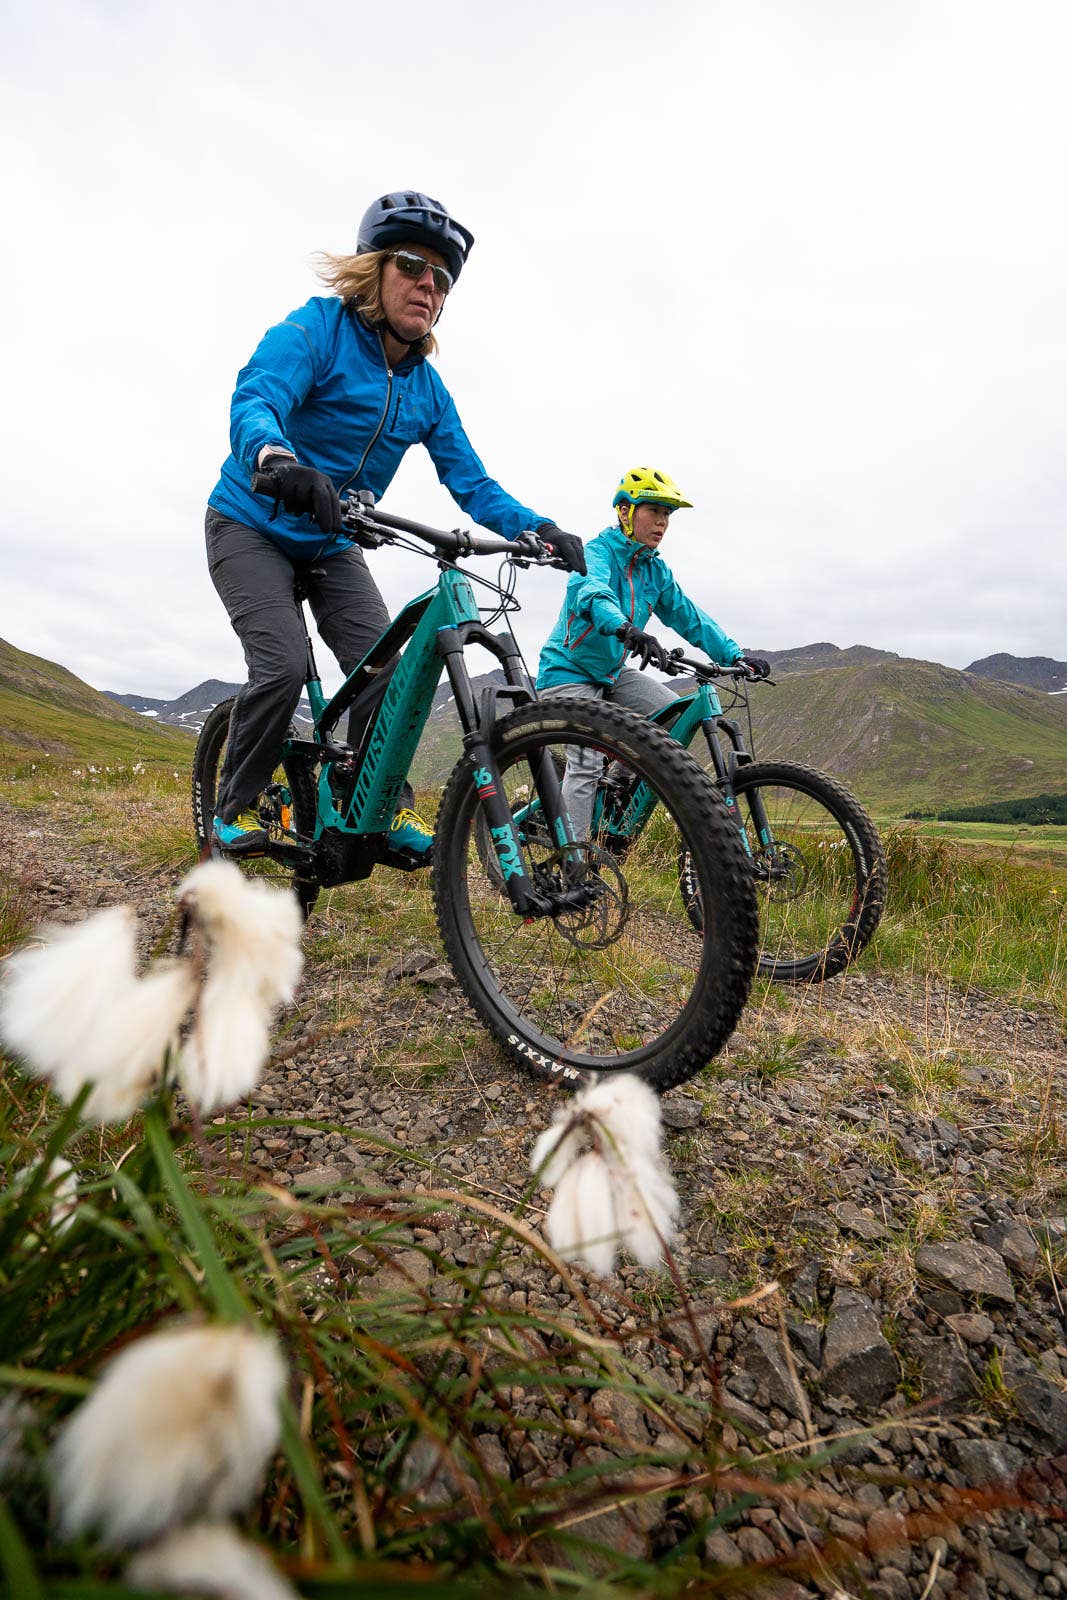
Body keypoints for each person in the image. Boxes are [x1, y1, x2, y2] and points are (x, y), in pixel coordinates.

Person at [205, 189, 585, 858]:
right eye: (412, 266)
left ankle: (377, 809)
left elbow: (471, 482)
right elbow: (257, 392)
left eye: (441, 279)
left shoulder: (426, 388)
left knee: (385, 667)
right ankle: (231, 811)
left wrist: (542, 528)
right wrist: (276, 457)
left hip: (330, 540)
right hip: (251, 522)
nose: (428, 287)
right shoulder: (316, 329)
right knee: (283, 664)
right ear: (374, 270)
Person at [536, 466, 769, 840]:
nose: (662, 523)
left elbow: (689, 616)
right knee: (585, 761)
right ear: (625, 512)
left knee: (673, 719)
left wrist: (735, 655)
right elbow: (593, 594)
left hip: (612, 672)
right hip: (568, 672)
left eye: (667, 515)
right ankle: (573, 865)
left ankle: (615, 787)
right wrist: (627, 629)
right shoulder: (596, 552)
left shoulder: (655, 570)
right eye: (654, 511)